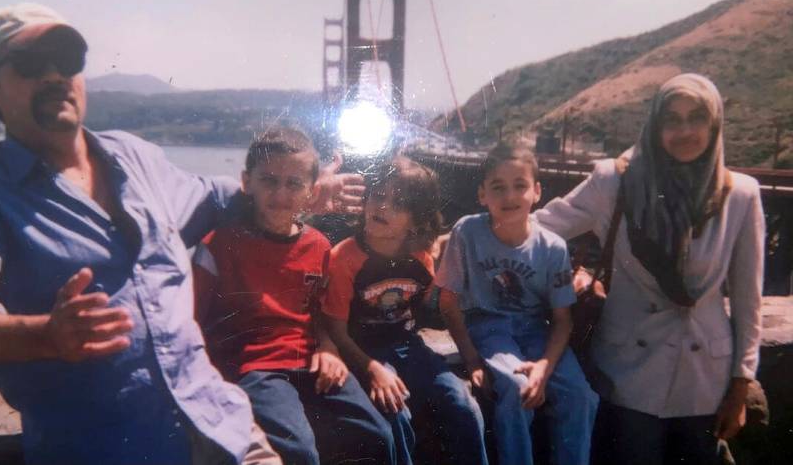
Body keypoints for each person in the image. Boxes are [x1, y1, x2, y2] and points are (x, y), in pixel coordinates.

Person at [0, 3, 362, 465]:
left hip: (219, 424)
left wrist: (303, 194)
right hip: (107, 446)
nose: (54, 75)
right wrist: (46, 335)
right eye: (32, 64)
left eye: (67, 60)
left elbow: (218, 197)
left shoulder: (135, 158)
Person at [533, 73, 765, 464]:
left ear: (715, 124)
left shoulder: (740, 195)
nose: (684, 130)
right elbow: (537, 227)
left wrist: (741, 385)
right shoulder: (615, 181)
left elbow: (748, 300)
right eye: (671, 119)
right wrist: (460, 238)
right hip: (628, 373)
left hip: (704, 380)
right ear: (655, 126)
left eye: (697, 118)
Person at [193, 127, 397, 465]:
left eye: (294, 184)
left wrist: (329, 349)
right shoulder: (219, 244)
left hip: (309, 360)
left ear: (311, 191)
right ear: (247, 182)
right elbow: (192, 320)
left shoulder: (317, 245)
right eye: (269, 180)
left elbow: (319, 311)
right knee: (301, 451)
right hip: (257, 368)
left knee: (378, 433)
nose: (281, 194)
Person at [436, 144, 598, 465]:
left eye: (520, 186)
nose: (509, 196)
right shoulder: (467, 232)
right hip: (488, 326)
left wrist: (545, 367)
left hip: (536, 331)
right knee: (515, 386)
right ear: (482, 194)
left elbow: (562, 319)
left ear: (536, 192)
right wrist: (472, 361)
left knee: (580, 396)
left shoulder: (552, 247)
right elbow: (448, 301)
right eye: (498, 187)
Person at [322, 156, 488, 465]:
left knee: (464, 404)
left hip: (409, 347)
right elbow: (336, 331)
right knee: (394, 410)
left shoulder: (420, 257)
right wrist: (372, 369)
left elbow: (428, 305)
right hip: (363, 350)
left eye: (397, 203)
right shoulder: (343, 259)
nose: (381, 207)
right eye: (378, 196)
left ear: (416, 220)